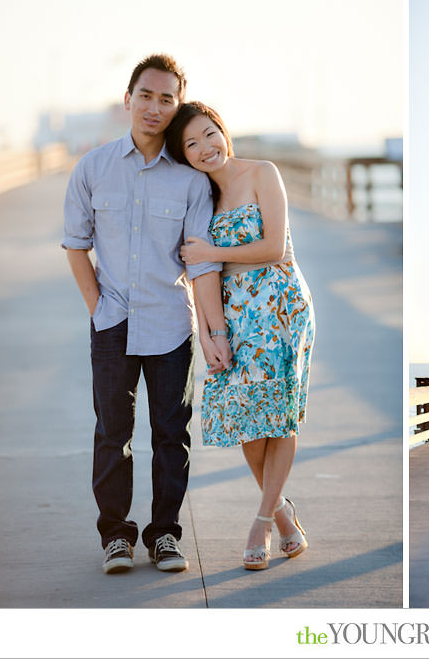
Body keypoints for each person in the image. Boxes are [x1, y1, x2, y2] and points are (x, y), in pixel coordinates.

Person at [62, 54, 232, 574]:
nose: (154, 108)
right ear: (128, 98)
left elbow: (202, 263)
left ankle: (164, 535)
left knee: (170, 435)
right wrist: (100, 312)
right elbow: (76, 246)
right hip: (112, 322)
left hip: (170, 326)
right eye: (146, 96)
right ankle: (115, 535)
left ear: (176, 106)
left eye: (166, 99)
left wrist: (212, 331)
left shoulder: (190, 181)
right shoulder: (93, 168)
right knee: (112, 432)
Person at [165, 101, 315, 571]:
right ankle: (284, 513)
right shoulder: (199, 197)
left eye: (210, 134)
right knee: (249, 419)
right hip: (236, 315)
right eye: (191, 144)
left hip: (282, 308)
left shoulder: (262, 173)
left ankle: (261, 523)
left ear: (224, 132)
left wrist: (214, 251)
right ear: (184, 156)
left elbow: (274, 247)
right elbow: (195, 266)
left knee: (279, 415)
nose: (205, 147)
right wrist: (213, 329)